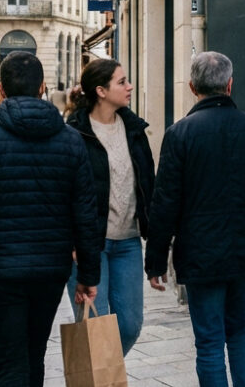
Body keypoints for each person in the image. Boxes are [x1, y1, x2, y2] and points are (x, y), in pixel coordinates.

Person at [0, 51, 102, 387]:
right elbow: (86, 213)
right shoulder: (71, 141)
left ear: (1, 89)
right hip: (50, 267)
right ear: (43, 87)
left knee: (9, 362)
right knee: (34, 354)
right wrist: (88, 273)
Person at [145, 51, 245, 387]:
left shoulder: (180, 134)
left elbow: (165, 202)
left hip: (201, 253)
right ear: (229, 85)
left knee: (209, 340)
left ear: (193, 87)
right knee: (239, 330)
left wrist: (154, 261)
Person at [64, 60, 155, 354]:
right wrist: (71, 241)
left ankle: (103, 375)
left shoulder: (134, 130)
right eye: (122, 82)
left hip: (127, 242)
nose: (129, 87)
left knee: (129, 325)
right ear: (101, 91)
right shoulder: (74, 134)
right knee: (94, 327)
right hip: (88, 245)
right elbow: (63, 192)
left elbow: (148, 185)